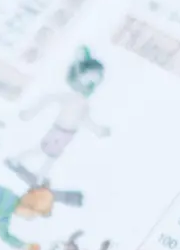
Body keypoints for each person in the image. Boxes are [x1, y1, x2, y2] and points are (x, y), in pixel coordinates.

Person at [8, 46, 110, 185]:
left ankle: (39, 175)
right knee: (43, 150)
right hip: (59, 129)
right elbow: (48, 99)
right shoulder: (69, 97)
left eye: (94, 80)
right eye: (88, 78)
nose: (90, 83)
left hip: (68, 134)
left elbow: (86, 120)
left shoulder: (84, 104)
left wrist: (98, 130)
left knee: (52, 155)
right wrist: (30, 112)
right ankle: (20, 162)